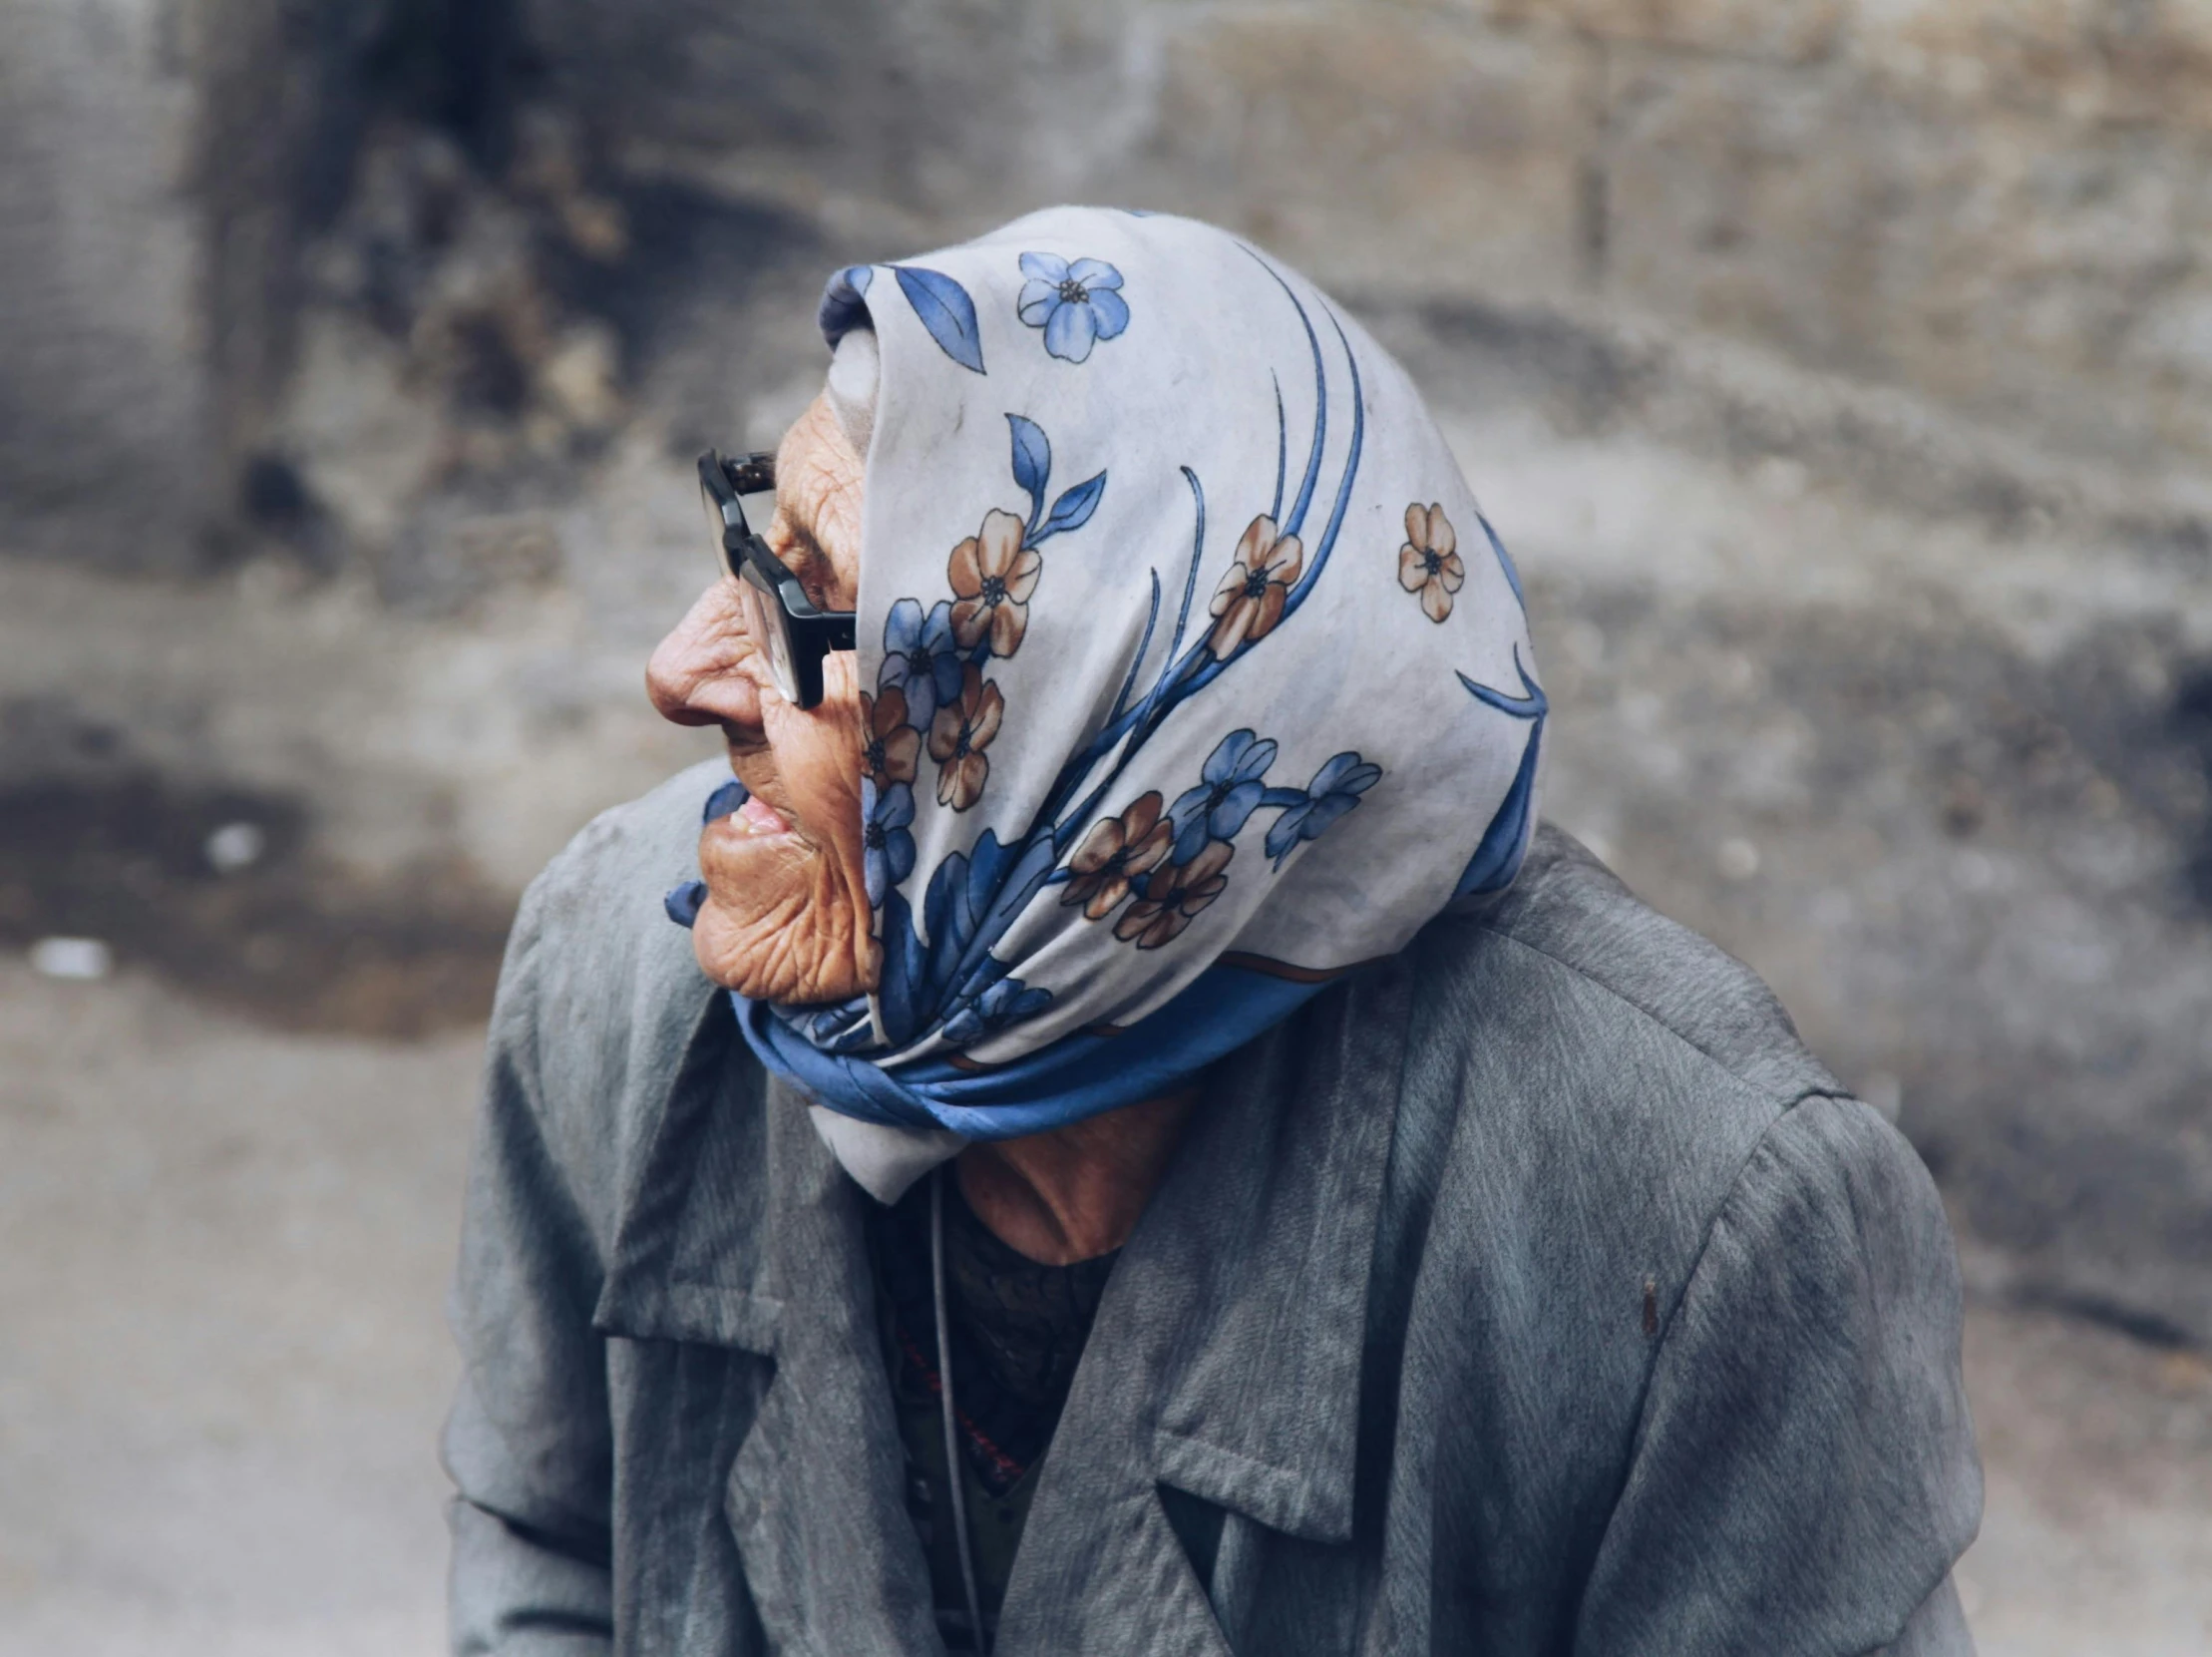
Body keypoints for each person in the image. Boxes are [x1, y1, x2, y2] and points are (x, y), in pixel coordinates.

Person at [444, 207, 1981, 1655]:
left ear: (1112, 738)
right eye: (751, 548)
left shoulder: (1700, 1230)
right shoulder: (628, 965)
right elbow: (550, 1556)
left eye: (813, 610)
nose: (677, 675)